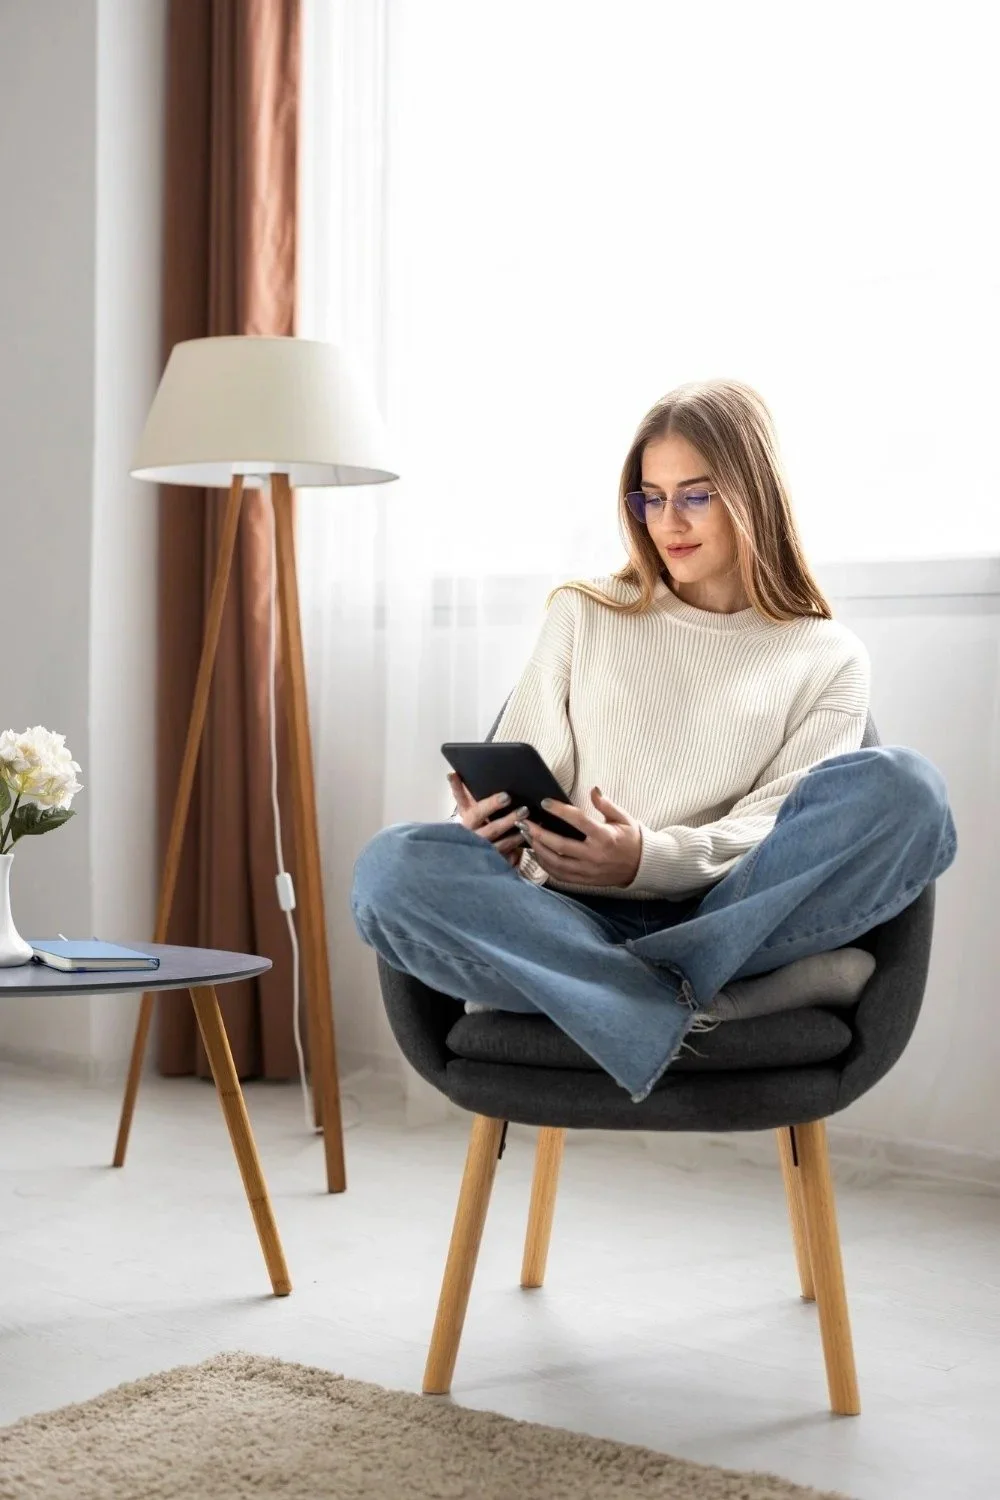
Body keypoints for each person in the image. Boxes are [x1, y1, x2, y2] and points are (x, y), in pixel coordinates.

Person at [351, 379, 957, 1103]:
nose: (668, 520)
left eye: (696, 495)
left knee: (906, 789)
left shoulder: (826, 655)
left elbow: (771, 826)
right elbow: (524, 771)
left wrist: (646, 859)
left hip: (731, 912)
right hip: (566, 912)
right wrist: (480, 835)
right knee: (389, 868)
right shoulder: (583, 613)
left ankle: (583, 989)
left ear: (751, 494)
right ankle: (707, 997)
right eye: (650, 496)